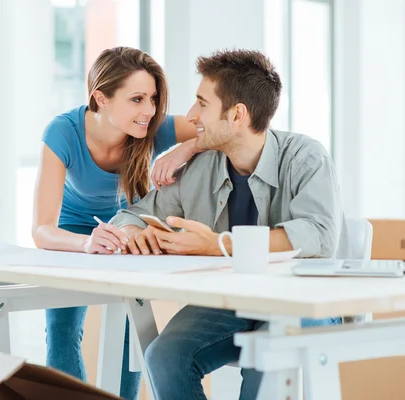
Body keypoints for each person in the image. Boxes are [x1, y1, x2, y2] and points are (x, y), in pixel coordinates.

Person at [109, 49, 347, 400]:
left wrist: (219, 245)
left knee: (267, 357)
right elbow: (133, 216)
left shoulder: (306, 157)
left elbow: (319, 236)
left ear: (237, 115)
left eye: (202, 104)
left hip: (301, 304)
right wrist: (133, 234)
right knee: (164, 355)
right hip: (232, 304)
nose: (190, 116)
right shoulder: (201, 167)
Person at [31, 46, 200, 400]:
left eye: (153, 98)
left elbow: (219, 128)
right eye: (137, 99)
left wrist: (185, 149)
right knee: (62, 331)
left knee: (128, 327)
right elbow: (42, 229)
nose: (150, 111)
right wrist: (85, 243)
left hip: (130, 229)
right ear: (101, 98)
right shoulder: (63, 132)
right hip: (74, 231)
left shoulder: (155, 128)